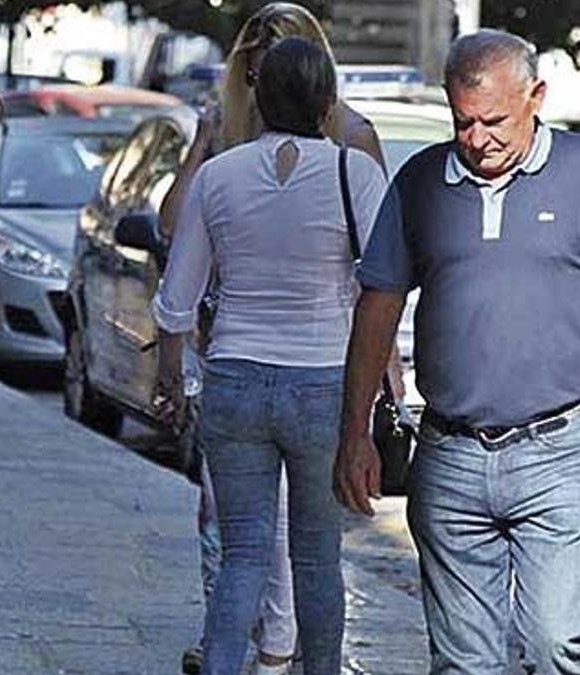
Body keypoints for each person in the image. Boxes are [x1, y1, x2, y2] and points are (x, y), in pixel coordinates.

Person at [336, 30, 580, 674]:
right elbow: (377, 307)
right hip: (449, 456)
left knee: (557, 646)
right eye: (463, 122)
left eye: (494, 121)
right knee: (465, 662)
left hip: (561, 453)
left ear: (537, 97)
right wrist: (354, 431)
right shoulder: (419, 183)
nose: (478, 139)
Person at [154, 4, 396, 673]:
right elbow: (384, 287)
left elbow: (177, 298)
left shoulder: (219, 174)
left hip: (233, 378)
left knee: (243, 556)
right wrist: (378, 394)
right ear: (326, 100)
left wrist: (171, 377)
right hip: (322, 384)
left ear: (256, 92)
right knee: (318, 556)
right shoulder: (357, 173)